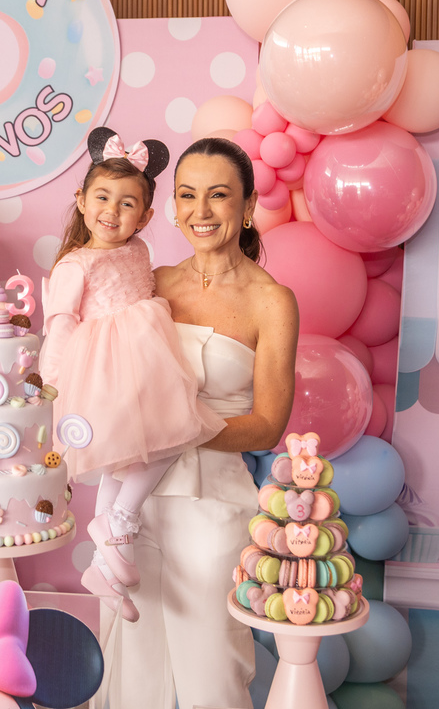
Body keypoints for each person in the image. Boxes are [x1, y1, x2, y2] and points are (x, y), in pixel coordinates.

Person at [108, 136, 299, 709]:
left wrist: (183, 426)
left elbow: (268, 426)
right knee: (134, 663)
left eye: (218, 195)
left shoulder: (272, 301)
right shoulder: (153, 281)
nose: (201, 211)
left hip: (214, 507)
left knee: (213, 669)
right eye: (187, 195)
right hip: (133, 505)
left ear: (248, 206)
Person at [41, 127, 227, 622]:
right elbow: (60, 325)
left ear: (144, 217)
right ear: (81, 201)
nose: (112, 211)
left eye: (127, 204)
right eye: (102, 198)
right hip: (101, 368)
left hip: (145, 360)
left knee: (132, 454)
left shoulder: (139, 250)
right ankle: (118, 523)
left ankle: (103, 566)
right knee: (166, 437)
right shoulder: (75, 264)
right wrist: (54, 383)